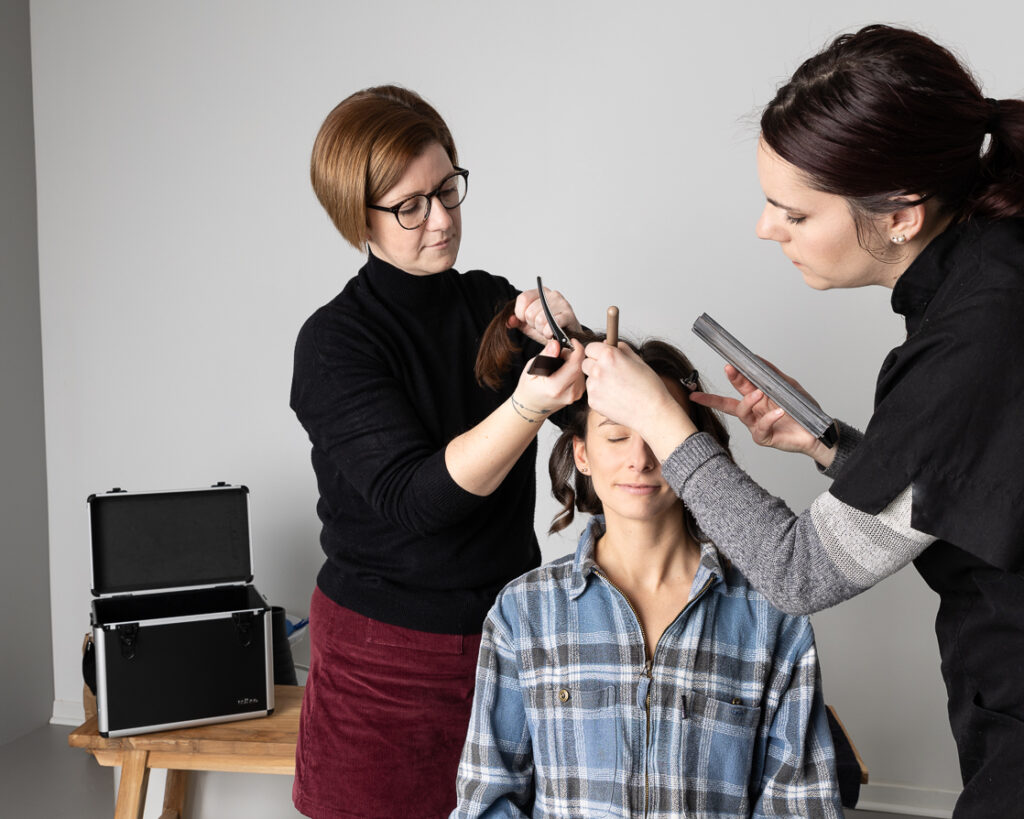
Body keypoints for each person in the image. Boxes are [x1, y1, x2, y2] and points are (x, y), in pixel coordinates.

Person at [581, 24, 1024, 818]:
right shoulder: (997, 271)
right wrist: (832, 446)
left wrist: (656, 412)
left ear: (900, 215)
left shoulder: (977, 333)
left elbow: (796, 573)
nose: (766, 229)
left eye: (793, 212)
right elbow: (970, 478)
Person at [290, 84, 585, 819]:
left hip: (510, 637)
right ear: (357, 217)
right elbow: (419, 499)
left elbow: (595, 426)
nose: (443, 219)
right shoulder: (335, 343)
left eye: (448, 189)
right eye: (411, 205)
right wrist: (525, 404)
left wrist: (574, 345)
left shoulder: (493, 304)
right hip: (381, 656)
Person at [452, 335, 842, 818]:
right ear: (582, 455)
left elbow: (800, 805)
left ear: (694, 448)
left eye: (658, 436)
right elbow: (489, 797)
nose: (640, 459)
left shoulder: (770, 613)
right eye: (616, 436)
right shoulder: (524, 611)